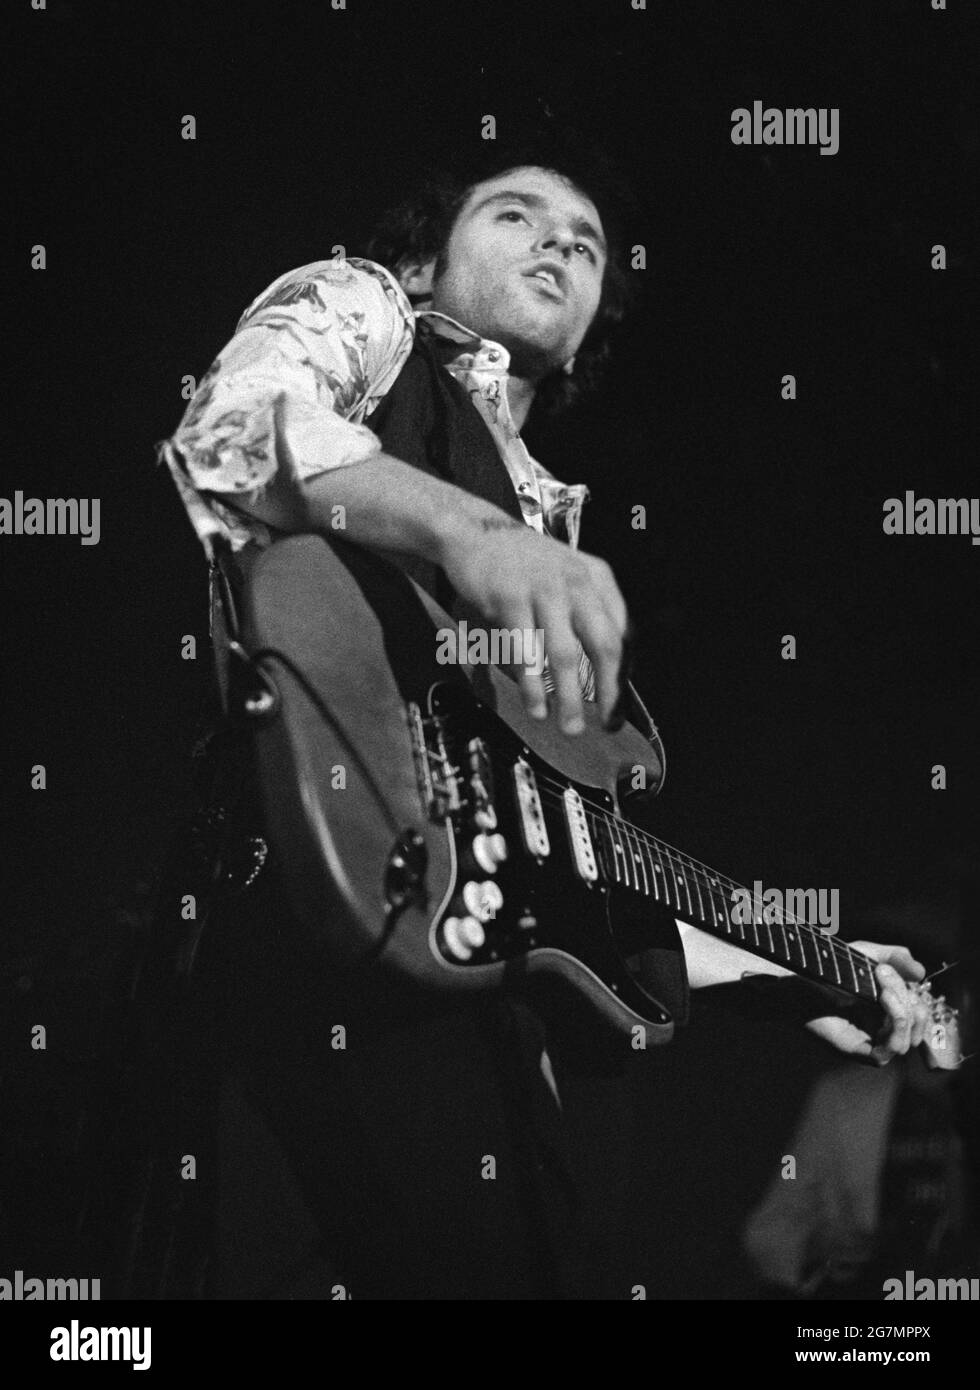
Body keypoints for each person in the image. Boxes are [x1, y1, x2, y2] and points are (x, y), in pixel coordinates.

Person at [156, 137, 933, 1299]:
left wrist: (803, 965)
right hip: (326, 921)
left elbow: (571, 869)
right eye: (516, 217)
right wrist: (472, 534)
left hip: (496, 1023)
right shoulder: (369, 308)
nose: (558, 245)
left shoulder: (553, 529)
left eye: (584, 244)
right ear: (426, 263)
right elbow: (227, 432)